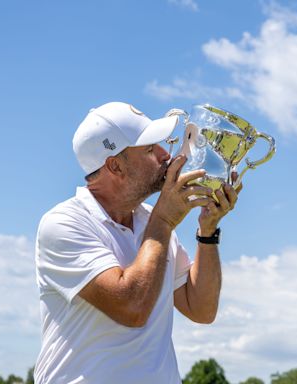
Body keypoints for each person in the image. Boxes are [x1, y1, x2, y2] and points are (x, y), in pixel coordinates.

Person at [33, 101, 239, 383]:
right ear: (115, 165)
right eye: (150, 149)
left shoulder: (152, 224)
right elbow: (132, 308)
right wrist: (164, 221)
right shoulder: (63, 223)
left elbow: (201, 309)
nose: (166, 154)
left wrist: (208, 230)